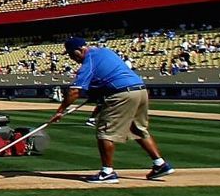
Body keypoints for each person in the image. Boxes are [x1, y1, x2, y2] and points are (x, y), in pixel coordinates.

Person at [49, 37, 173, 184]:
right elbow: (108, 74)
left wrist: (60, 111)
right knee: (138, 129)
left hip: (122, 93)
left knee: (104, 132)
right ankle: (160, 164)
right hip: (140, 90)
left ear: (79, 51)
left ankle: (107, 172)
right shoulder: (105, 52)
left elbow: (74, 91)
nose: (72, 58)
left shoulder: (89, 60)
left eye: (71, 55)